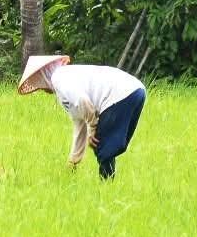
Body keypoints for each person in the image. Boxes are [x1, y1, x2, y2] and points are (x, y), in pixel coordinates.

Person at [18, 54, 146, 179]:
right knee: (105, 144)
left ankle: (107, 186)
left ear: (42, 76)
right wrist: (73, 161)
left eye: (39, 85)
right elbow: (80, 123)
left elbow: (82, 101)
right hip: (136, 91)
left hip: (120, 94)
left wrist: (93, 126)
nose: (42, 89)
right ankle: (109, 185)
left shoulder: (59, 78)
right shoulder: (66, 80)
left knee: (102, 144)